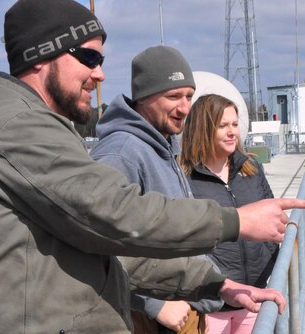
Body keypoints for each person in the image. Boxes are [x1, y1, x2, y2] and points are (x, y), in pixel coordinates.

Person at [0, 1, 305, 333]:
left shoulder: (33, 129)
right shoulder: (17, 129)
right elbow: (117, 215)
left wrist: (214, 284)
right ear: (42, 55)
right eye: (89, 58)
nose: (100, 74)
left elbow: (106, 248)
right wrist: (236, 221)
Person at [90, 45, 222, 333]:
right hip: (153, 317)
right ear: (143, 97)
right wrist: (153, 305)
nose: (185, 107)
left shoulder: (162, 146)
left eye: (189, 96)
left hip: (183, 306)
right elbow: (97, 247)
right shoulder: (121, 153)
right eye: (173, 96)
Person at [179, 94, 277, 333]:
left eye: (234, 124)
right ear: (202, 129)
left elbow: (271, 216)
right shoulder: (182, 178)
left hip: (253, 297)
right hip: (208, 305)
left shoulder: (252, 169)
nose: (232, 131)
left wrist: (267, 254)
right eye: (222, 126)